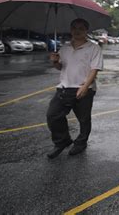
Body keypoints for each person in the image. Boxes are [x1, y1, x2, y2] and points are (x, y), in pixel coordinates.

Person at [46, 18, 103, 158]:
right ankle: (62, 141)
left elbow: (95, 68)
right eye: (74, 28)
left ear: (86, 31)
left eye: (81, 28)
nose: (77, 31)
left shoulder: (94, 48)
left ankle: (81, 142)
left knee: (83, 119)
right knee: (53, 115)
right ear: (71, 30)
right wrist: (54, 62)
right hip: (64, 88)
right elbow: (61, 67)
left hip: (84, 88)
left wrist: (86, 86)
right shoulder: (64, 48)